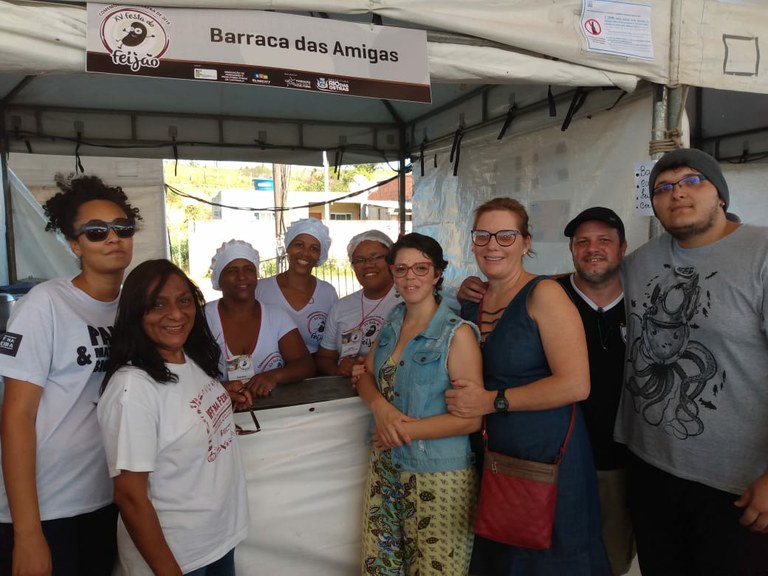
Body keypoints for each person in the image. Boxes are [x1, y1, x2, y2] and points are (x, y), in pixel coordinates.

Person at [616, 148, 768, 575]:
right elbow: (588, 284)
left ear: (720, 194)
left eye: (691, 181)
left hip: (736, 486)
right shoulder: (642, 260)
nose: (676, 193)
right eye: (663, 188)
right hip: (650, 469)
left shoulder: (761, 254)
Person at [446, 197, 610, 575]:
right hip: (492, 455)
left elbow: (575, 385)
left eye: (506, 235)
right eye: (483, 235)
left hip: (545, 456)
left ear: (525, 242)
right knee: (501, 558)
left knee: (548, 560)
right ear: (472, 242)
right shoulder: (474, 299)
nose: (492, 245)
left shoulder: (544, 294)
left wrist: (492, 401)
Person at [0, 174, 141, 576]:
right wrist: (28, 533)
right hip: (48, 506)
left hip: (106, 495)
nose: (112, 238)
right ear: (75, 244)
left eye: (122, 228)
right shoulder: (45, 304)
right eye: (96, 232)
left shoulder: (132, 308)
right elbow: (15, 417)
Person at [97, 259, 249, 576]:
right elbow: (130, 496)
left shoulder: (186, 358)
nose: (176, 314)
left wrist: (221, 400)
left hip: (216, 540)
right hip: (176, 558)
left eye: (183, 301)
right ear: (136, 313)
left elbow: (181, 414)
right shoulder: (133, 389)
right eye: (158, 305)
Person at [354, 232, 483, 575]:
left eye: (421, 268)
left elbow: (469, 420)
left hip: (438, 477)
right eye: (402, 269)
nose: (410, 277)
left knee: (434, 569)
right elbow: (364, 376)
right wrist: (382, 411)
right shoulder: (393, 321)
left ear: (438, 273)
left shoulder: (458, 334)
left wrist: (397, 431)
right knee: (383, 567)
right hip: (386, 468)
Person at [560, 207, 634, 576]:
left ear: (623, 248)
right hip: (559, 458)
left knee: (612, 560)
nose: (593, 249)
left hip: (625, 460)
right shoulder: (548, 296)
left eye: (604, 240)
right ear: (572, 250)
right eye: (582, 242)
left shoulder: (646, 298)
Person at [205, 239, 315, 397]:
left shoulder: (276, 317)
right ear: (218, 279)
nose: (241, 277)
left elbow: (305, 364)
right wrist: (221, 388)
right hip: (219, 416)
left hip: (271, 413)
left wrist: (273, 376)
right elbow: (185, 374)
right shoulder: (203, 318)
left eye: (248, 270)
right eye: (231, 271)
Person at [317, 230, 399, 377]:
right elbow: (324, 357)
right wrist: (339, 369)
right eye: (360, 260)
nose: (368, 265)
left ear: (391, 261)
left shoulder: (406, 302)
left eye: (376, 257)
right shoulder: (340, 308)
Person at [255, 218, 337, 354]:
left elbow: (333, 343)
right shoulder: (261, 289)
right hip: (270, 371)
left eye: (314, 248)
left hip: (317, 371)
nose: (305, 253)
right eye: (299, 245)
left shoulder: (328, 293)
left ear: (320, 255)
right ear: (288, 247)